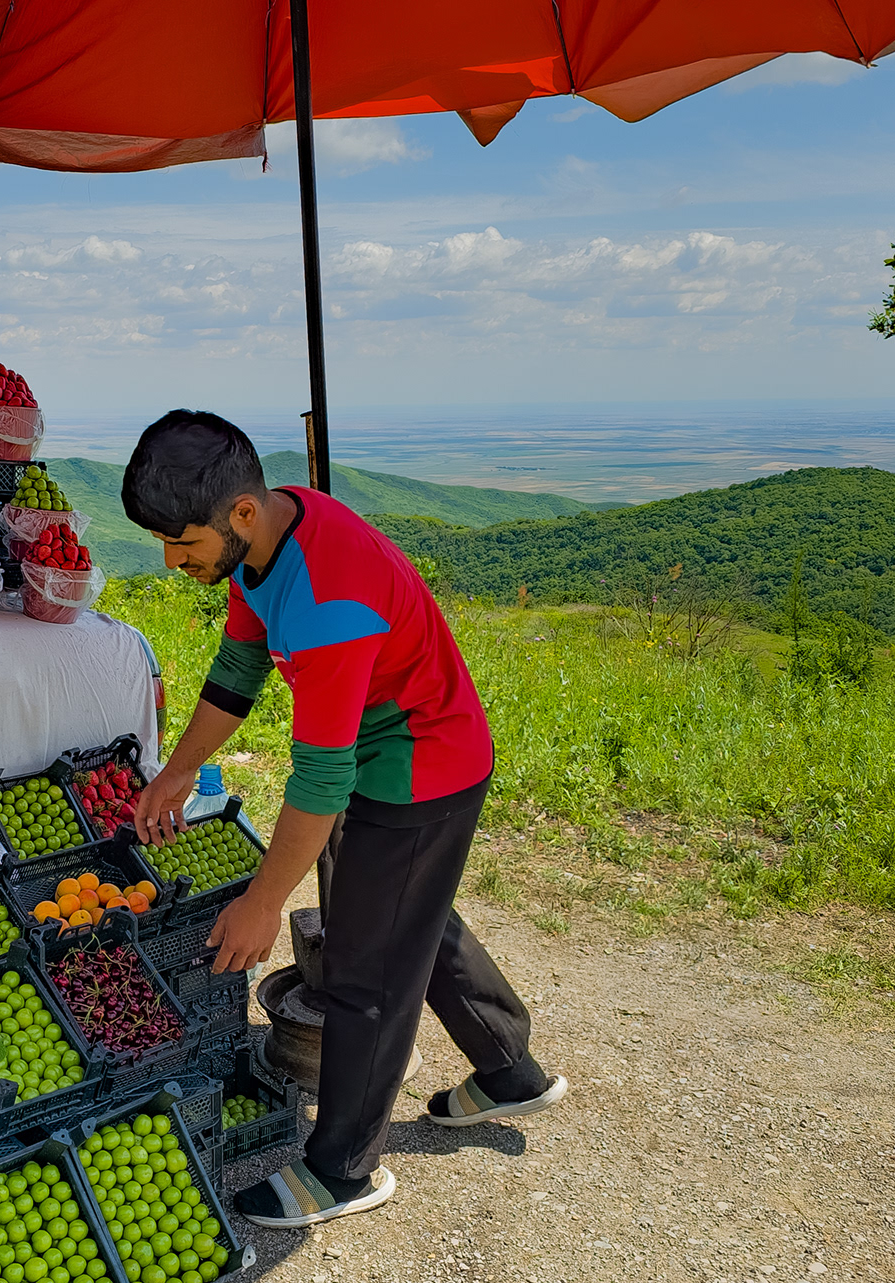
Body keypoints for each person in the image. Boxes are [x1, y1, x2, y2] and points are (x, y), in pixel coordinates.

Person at [121, 411, 566, 1229]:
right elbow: (239, 666)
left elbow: (321, 779)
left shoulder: (328, 598)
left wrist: (261, 902)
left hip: (417, 769)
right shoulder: (264, 545)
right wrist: (178, 771)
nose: (172, 560)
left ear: (239, 515)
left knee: (365, 974)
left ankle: (346, 1170)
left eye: (182, 544)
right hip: (389, 760)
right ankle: (509, 1072)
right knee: (404, 915)